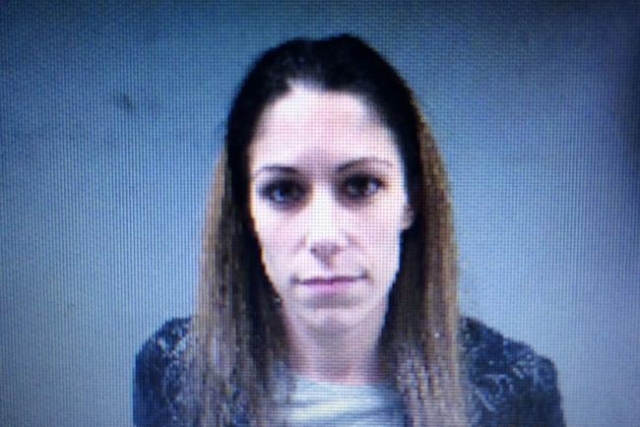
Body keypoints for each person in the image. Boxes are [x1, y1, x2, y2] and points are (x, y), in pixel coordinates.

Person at [133, 34, 565, 427]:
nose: (325, 236)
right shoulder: (177, 376)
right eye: (283, 191)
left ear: (410, 200)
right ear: (246, 212)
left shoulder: (515, 393)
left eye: (360, 186)